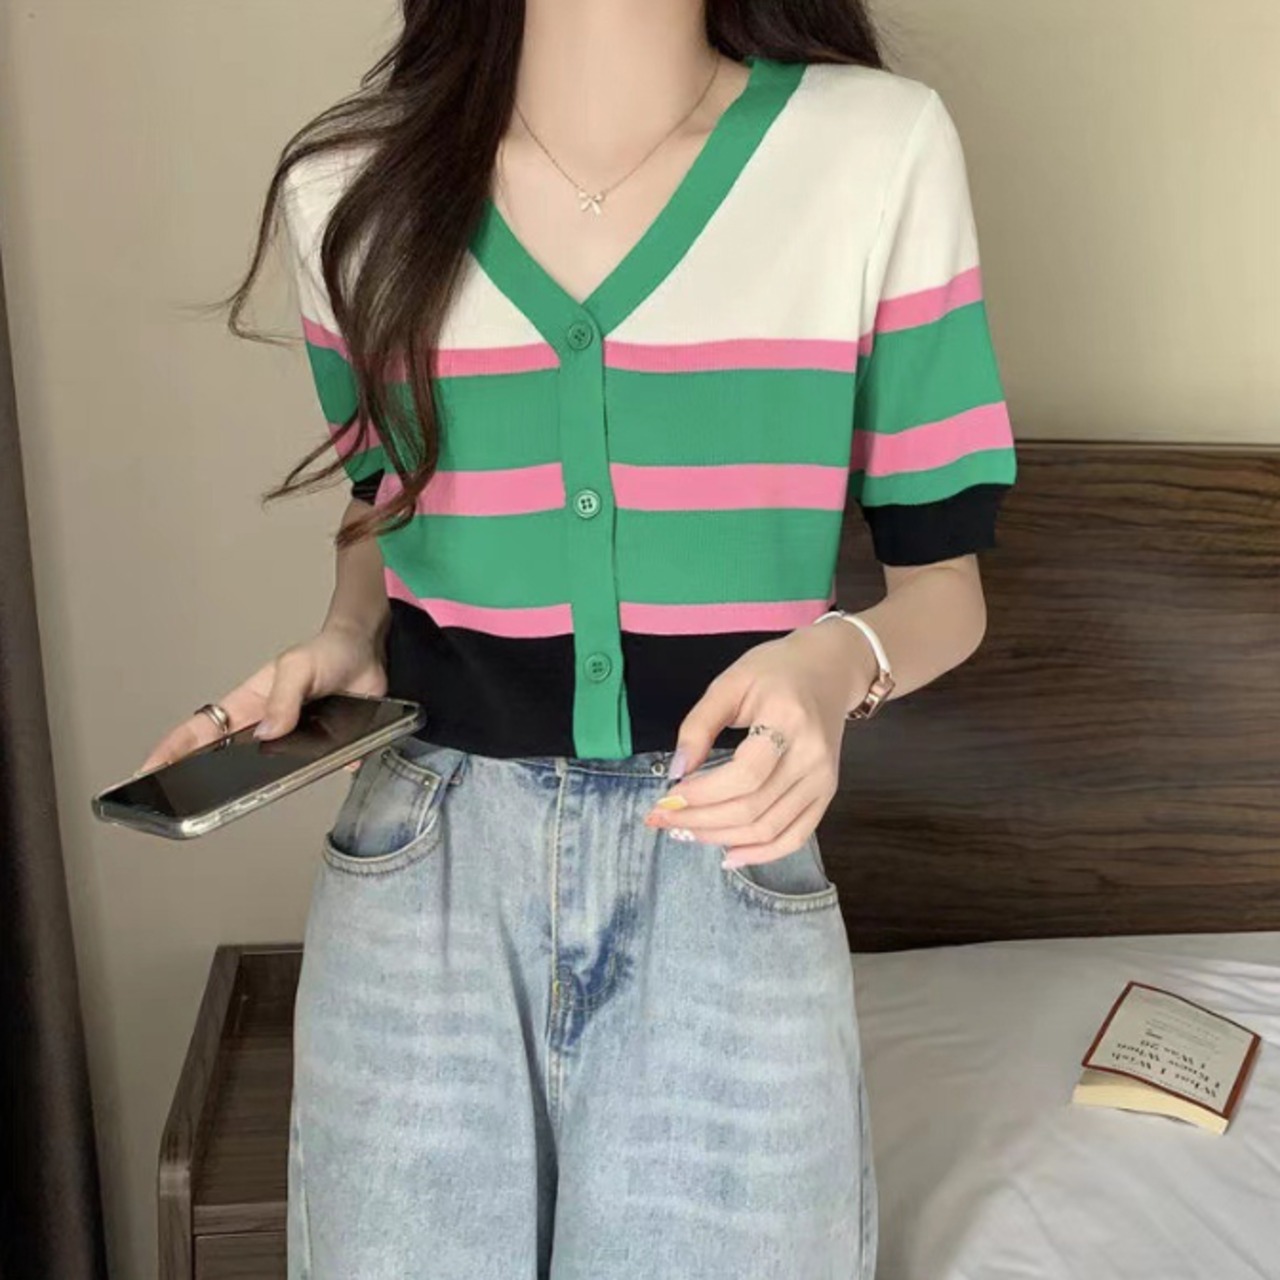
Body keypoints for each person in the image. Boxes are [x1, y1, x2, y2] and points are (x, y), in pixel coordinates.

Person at [139, 1, 1017, 1275]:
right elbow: (385, 499)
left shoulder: (873, 151)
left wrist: (834, 663)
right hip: (423, 871)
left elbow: (942, 593)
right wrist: (347, 634)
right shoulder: (347, 187)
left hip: (718, 862)